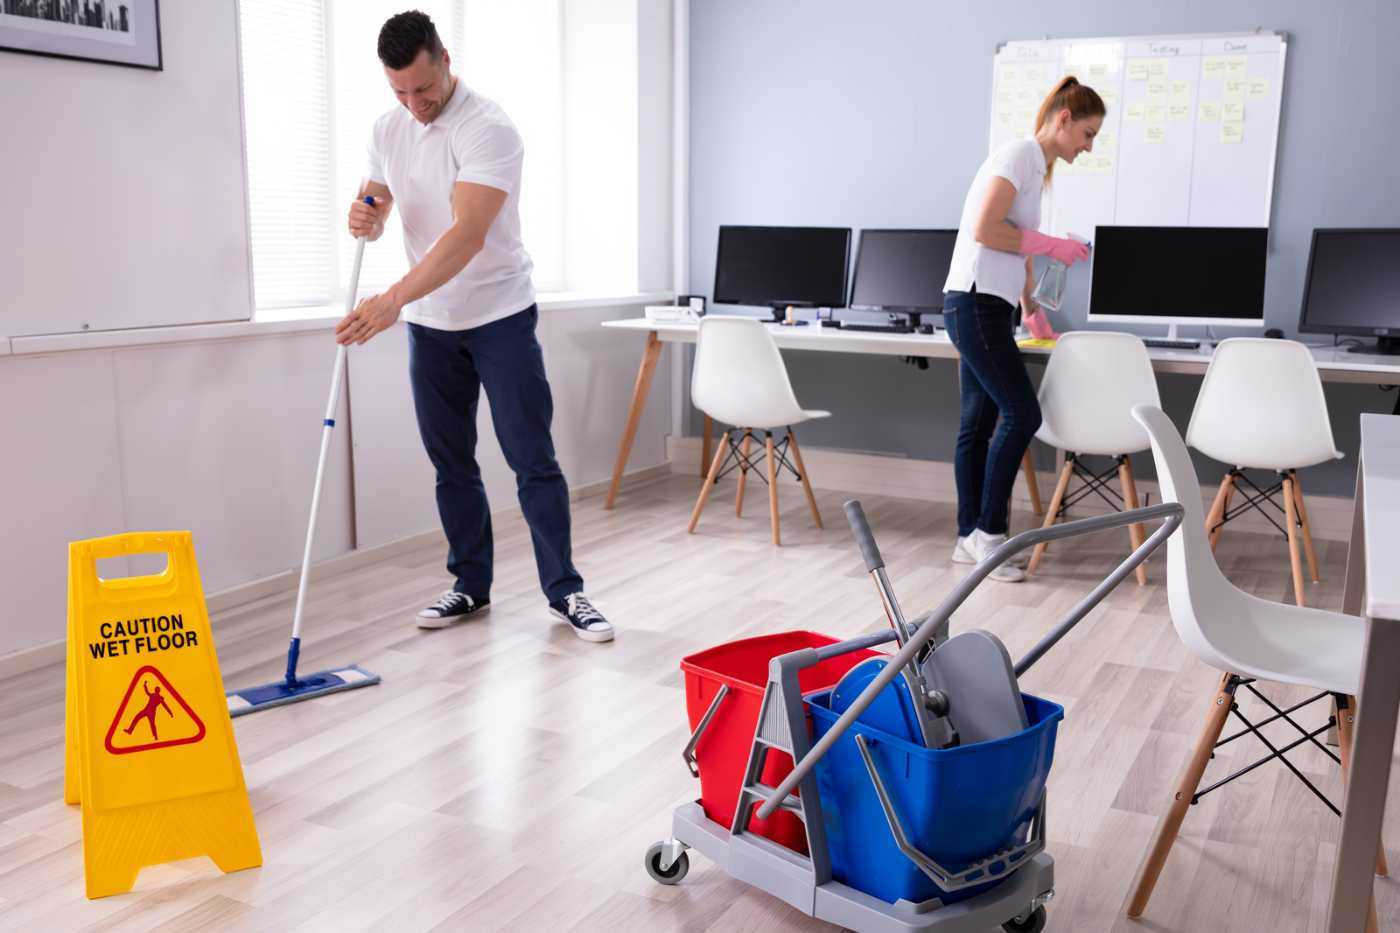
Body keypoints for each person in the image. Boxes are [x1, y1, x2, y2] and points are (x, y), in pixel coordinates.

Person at [336, 10, 613, 642]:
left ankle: (566, 592)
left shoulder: (489, 129)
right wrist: (367, 218)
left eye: (423, 89)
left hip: (498, 317)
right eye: (399, 92)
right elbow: (378, 202)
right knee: (450, 461)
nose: (415, 104)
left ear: (445, 61)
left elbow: (465, 236)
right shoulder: (389, 127)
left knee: (530, 458)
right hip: (432, 326)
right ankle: (470, 585)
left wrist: (391, 301)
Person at [941, 76, 1104, 582]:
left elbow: (1013, 242)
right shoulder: (1017, 156)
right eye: (1088, 134)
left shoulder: (1037, 170)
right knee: (1022, 412)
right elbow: (986, 230)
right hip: (973, 303)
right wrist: (1053, 246)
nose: (1089, 146)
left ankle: (969, 538)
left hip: (987, 306)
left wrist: (1030, 308)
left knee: (978, 423)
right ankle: (989, 536)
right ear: (1063, 120)